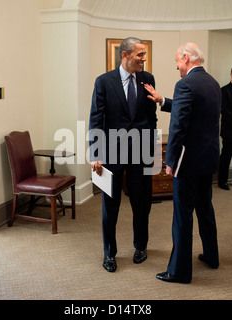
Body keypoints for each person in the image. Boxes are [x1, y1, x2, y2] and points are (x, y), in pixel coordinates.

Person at [145, 43, 221, 283]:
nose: (176, 65)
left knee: (182, 215)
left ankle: (178, 271)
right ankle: (211, 256)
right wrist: (163, 100)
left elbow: (178, 127)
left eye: (177, 61)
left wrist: (170, 160)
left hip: (187, 163)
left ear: (186, 58)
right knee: (205, 209)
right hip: (208, 158)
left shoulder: (185, 84)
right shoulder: (213, 83)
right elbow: (194, 112)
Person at [89, 37, 157, 273]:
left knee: (142, 202)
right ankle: (109, 253)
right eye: (140, 54)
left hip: (141, 151)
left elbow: (151, 116)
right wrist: (95, 153)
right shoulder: (103, 82)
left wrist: (152, 148)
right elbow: (96, 119)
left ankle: (141, 246)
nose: (143, 59)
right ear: (125, 55)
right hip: (112, 152)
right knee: (111, 205)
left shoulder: (147, 79)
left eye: (144, 54)